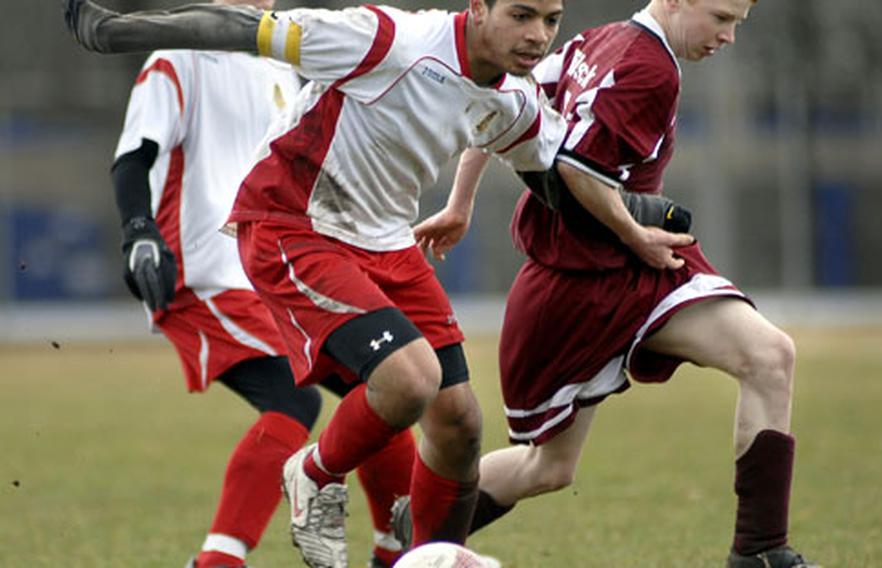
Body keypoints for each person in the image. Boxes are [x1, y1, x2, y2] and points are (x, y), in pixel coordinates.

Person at [64, 0, 567, 567]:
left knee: (445, 417)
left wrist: (639, 228)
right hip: (259, 243)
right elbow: (153, 132)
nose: (538, 35)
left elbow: (549, 168)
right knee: (360, 388)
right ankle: (271, 513)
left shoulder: (510, 96)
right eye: (523, 15)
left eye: (551, 19)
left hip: (374, 244)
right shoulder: (371, 40)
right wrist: (139, 229)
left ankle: (408, 555)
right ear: (479, 9)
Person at [412, 1, 818, 566]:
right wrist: (634, 233)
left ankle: (760, 551)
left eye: (737, 24)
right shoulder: (644, 66)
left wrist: (460, 204)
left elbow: (504, 104)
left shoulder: (600, 41)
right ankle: (420, 528)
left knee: (770, 356)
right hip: (581, 281)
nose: (727, 37)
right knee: (548, 469)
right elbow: (578, 168)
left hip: (634, 269)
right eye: (720, 18)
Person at [106, 1, 415, 566]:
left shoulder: (281, 66)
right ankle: (216, 562)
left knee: (388, 391)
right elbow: (134, 156)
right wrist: (138, 233)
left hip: (270, 272)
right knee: (292, 400)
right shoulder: (177, 59)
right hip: (200, 274)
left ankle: (397, 556)